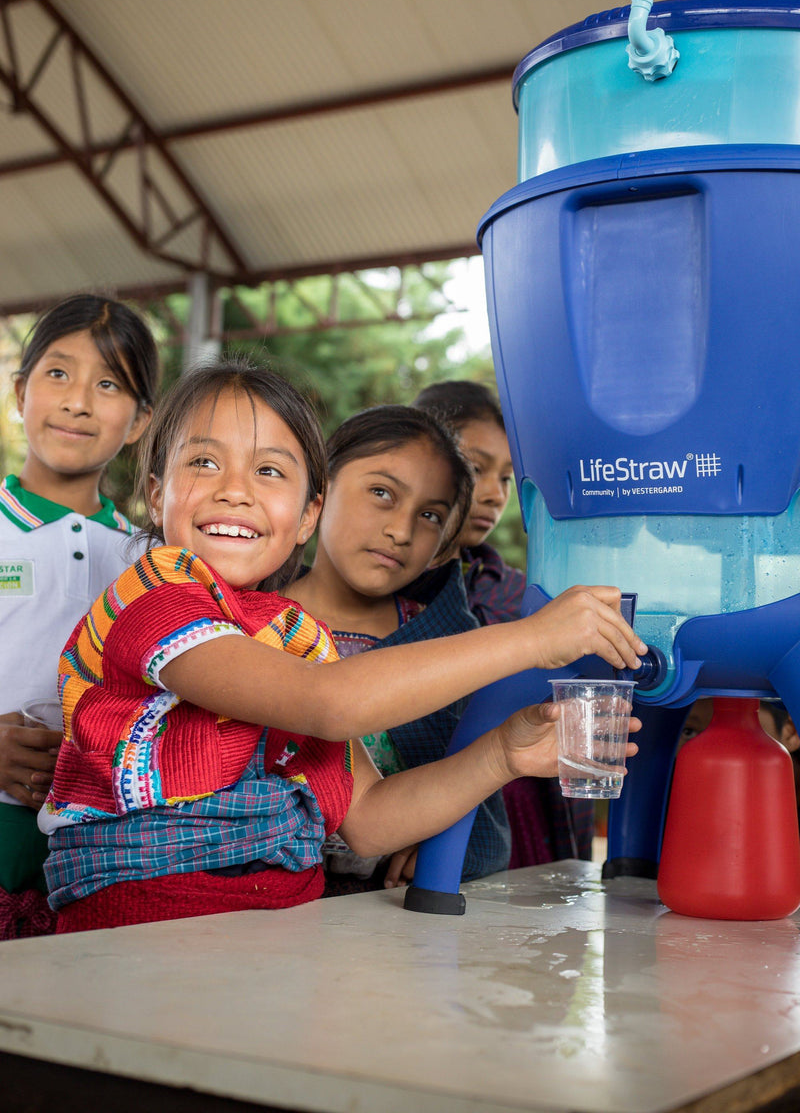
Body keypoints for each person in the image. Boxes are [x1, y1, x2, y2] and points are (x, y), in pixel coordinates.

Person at [39, 357, 645, 933]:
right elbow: (328, 703)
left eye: (269, 471)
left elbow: (372, 823)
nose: (235, 490)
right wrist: (533, 638)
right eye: (203, 462)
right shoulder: (154, 594)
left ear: (307, 515)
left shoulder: (296, 637)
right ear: (155, 491)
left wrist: (504, 755)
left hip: (279, 937)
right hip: (141, 931)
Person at [284, 404, 510, 892]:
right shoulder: (239, 619)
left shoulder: (446, 645)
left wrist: (442, 836)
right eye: (382, 493)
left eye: (430, 515)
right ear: (317, 490)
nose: (402, 531)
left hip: (386, 925)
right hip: (245, 906)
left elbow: (483, 820)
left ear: (447, 542)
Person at [0, 294, 158, 938]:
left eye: (109, 383)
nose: (78, 401)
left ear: (141, 420)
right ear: (19, 391)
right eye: (57, 374)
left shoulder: (149, 563)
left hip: (99, 857)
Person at [412, 380, 594, 866]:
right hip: (414, 821)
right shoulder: (382, 599)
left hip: (520, 828)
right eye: (475, 468)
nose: (494, 494)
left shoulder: (520, 595)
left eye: (508, 478)